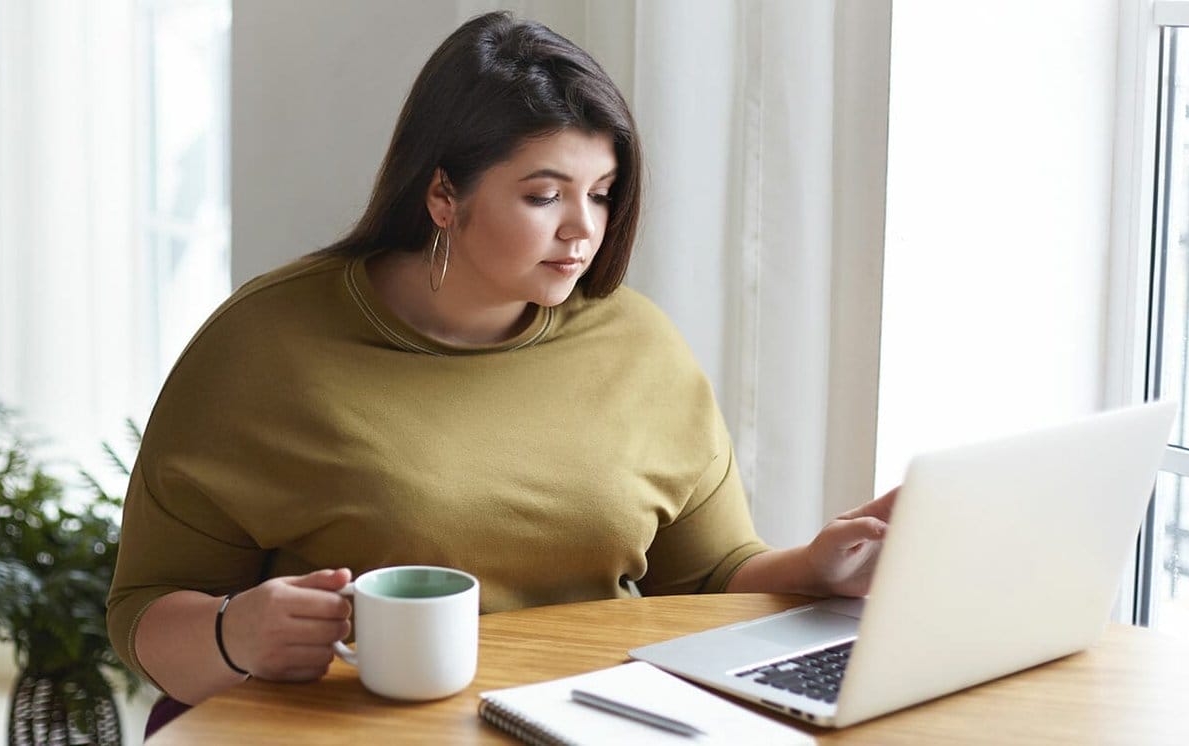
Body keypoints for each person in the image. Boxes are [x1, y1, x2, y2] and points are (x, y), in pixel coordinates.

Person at [106, 10, 895, 719]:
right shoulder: (263, 345)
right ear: (444, 194)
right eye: (544, 195)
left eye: (604, 191)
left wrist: (818, 568)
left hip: (603, 723)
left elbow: (709, 579)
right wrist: (233, 633)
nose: (583, 231)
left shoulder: (638, 343)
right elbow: (141, 613)